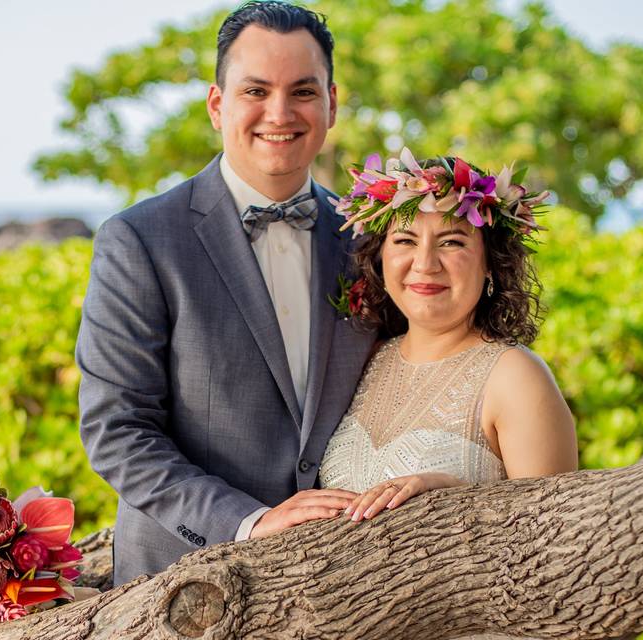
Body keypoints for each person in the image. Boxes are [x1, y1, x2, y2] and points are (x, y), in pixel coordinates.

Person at [76, 1, 375, 587]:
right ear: (218, 105)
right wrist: (247, 522)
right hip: (181, 588)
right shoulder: (139, 240)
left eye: (304, 92)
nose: (280, 112)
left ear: (332, 104)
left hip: (346, 585)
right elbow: (118, 430)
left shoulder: (372, 240)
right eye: (255, 90)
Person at [317, 150, 578, 527]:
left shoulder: (516, 377)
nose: (425, 263)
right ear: (380, 257)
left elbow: (555, 540)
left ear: (490, 261)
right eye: (405, 240)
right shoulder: (364, 359)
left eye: (452, 242)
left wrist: (458, 496)